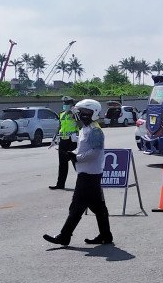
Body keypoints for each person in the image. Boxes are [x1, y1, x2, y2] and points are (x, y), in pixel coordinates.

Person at [43, 99, 113, 246]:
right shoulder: (85, 129)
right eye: (80, 112)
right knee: (98, 207)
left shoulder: (95, 130)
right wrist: (72, 153)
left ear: (92, 113)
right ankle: (106, 235)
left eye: (83, 113)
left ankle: (64, 236)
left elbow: (95, 152)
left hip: (89, 175)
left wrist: (77, 157)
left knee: (77, 206)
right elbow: (83, 150)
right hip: (88, 173)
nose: (80, 115)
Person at [49, 96, 78, 190]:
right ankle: (60, 184)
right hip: (63, 140)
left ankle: (82, 184)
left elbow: (81, 124)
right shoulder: (62, 114)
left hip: (72, 140)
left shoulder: (76, 113)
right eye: (64, 103)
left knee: (74, 161)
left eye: (67, 104)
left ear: (72, 105)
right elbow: (59, 126)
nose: (64, 105)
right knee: (62, 164)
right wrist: (54, 138)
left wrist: (76, 114)